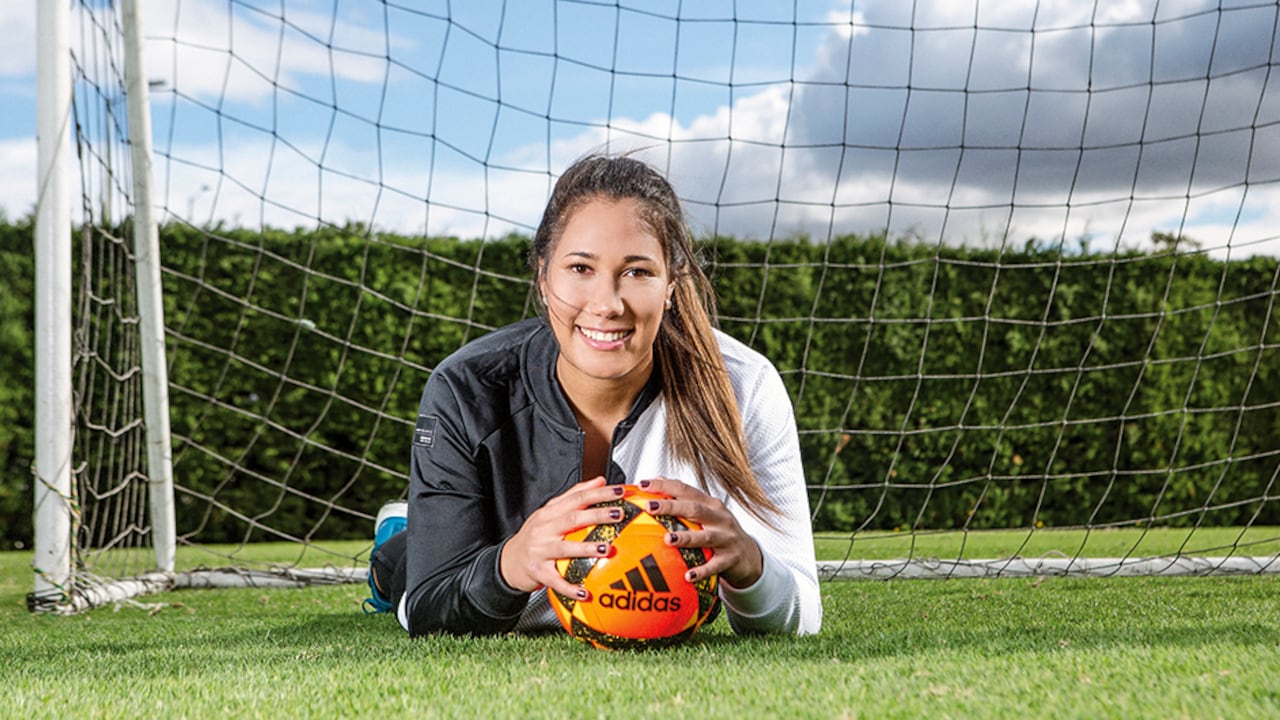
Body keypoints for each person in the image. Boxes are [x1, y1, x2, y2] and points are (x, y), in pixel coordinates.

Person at [366, 154, 821, 637]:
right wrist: (509, 565)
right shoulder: (466, 389)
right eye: (580, 267)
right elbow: (425, 607)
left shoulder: (743, 385)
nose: (607, 304)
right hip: (473, 555)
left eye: (638, 271)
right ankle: (400, 539)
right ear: (543, 278)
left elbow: (803, 614)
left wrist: (750, 564)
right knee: (405, 564)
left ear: (672, 283)